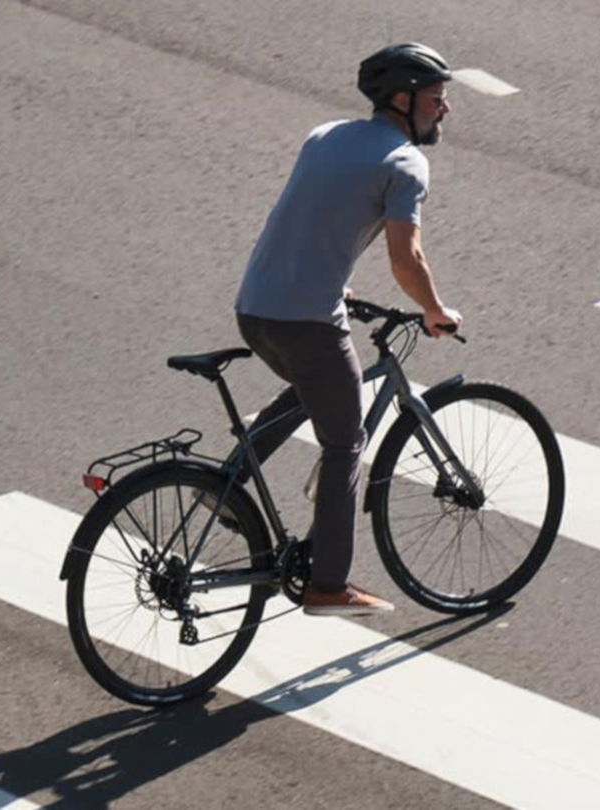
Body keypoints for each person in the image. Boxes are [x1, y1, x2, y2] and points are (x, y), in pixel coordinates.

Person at [229, 43, 462, 616]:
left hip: (256, 305)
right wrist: (435, 310)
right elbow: (406, 258)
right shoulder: (406, 163)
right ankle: (328, 585)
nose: (445, 110)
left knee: (316, 389)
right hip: (307, 319)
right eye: (436, 99)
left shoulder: (325, 134)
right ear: (403, 100)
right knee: (346, 440)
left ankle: (228, 489)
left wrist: (336, 284)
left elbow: (307, 217)